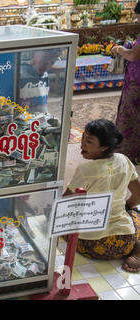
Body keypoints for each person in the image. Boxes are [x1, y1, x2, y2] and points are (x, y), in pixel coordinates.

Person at [64, 119, 140, 273]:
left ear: (104, 147)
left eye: (89, 141)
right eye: (83, 138)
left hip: (89, 244)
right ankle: (137, 249)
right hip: (124, 242)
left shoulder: (86, 170)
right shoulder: (124, 161)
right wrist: (127, 208)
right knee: (136, 215)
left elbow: (66, 202)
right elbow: (138, 194)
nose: (82, 144)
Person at [111, 2, 140, 164]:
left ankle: (126, 153)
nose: (136, 18)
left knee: (130, 117)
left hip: (137, 84)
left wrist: (120, 49)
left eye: (137, 14)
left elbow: (134, 56)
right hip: (135, 81)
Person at [18, 49, 61, 114]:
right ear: (33, 55)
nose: (47, 65)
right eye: (43, 61)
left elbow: (43, 103)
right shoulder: (20, 73)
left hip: (40, 119)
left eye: (52, 62)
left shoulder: (45, 75)